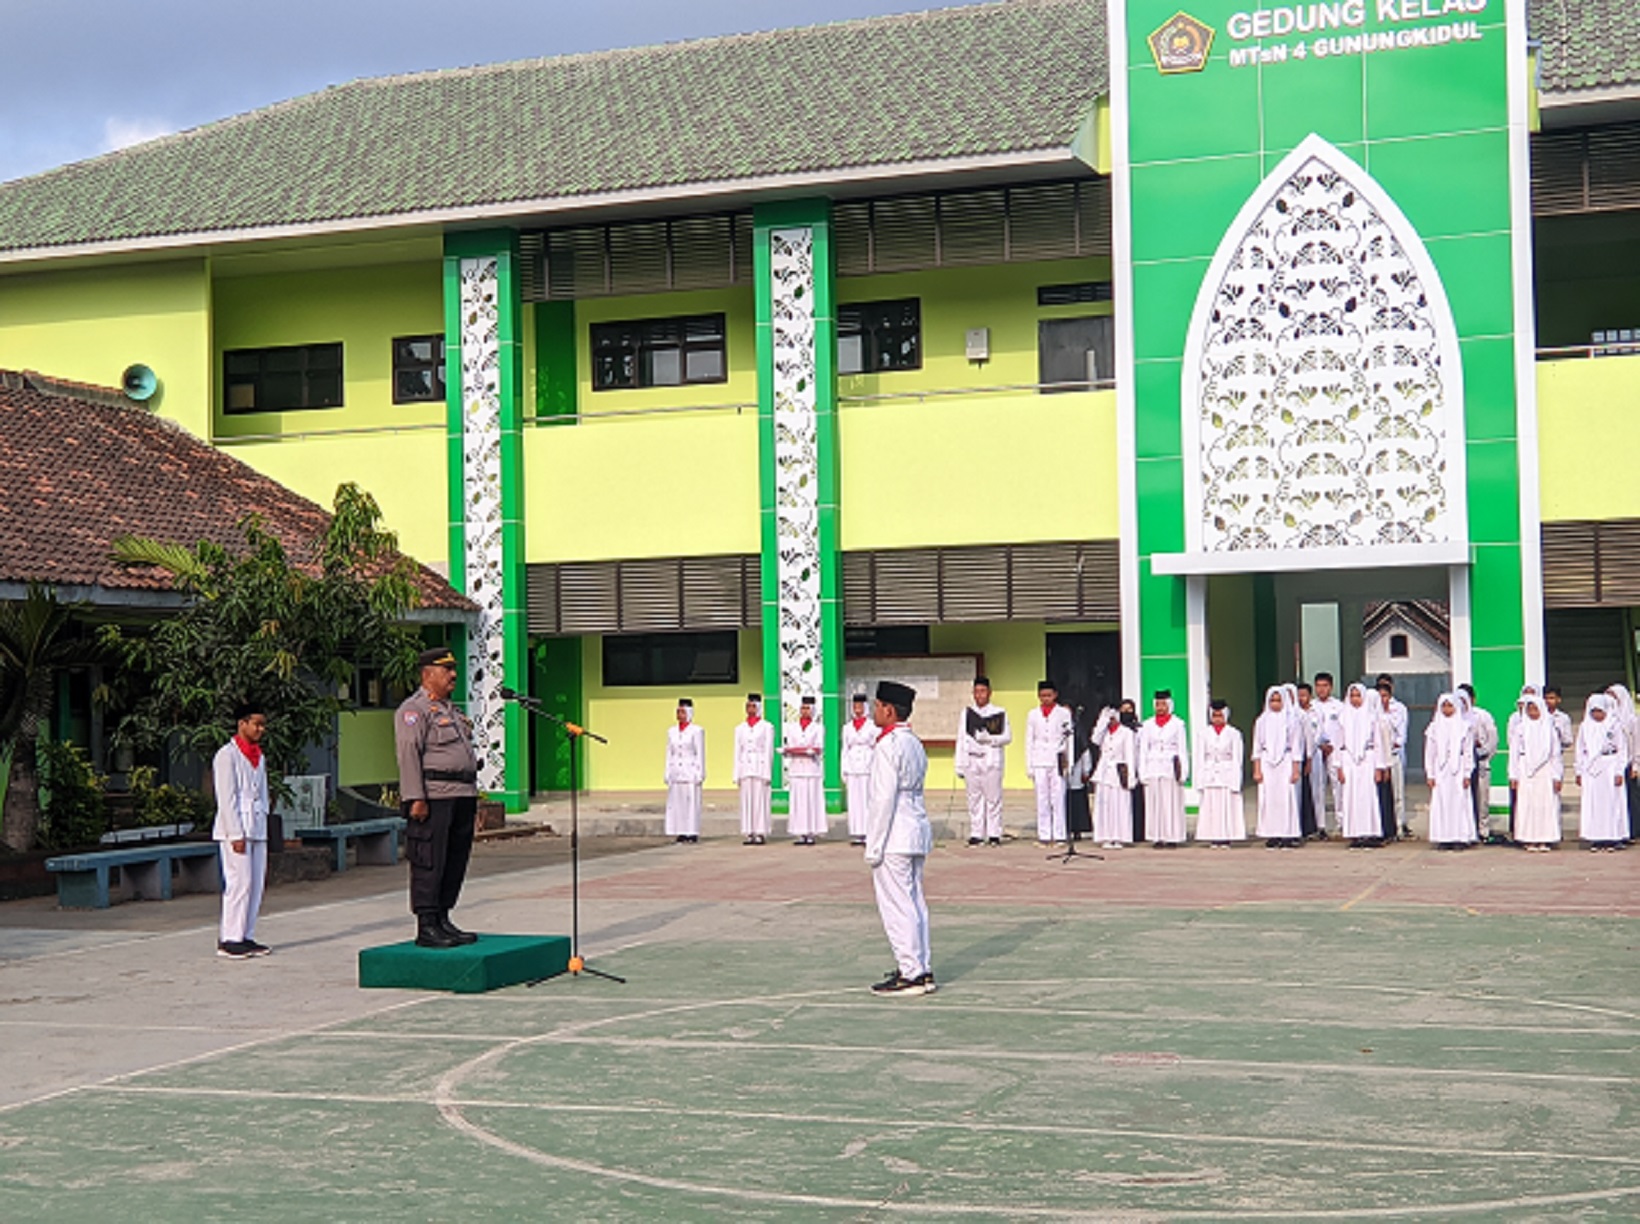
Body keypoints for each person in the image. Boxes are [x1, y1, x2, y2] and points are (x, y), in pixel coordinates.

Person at [396, 647, 481, 949]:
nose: (453, 675)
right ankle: (427, 924)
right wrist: (414, 797)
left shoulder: (451, 711)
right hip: (434, 796)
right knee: (429, 859)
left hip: (462, 794)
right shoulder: (413, 710)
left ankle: (444, 918)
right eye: (446, 670)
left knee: (455, 859)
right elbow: (408, 755)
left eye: (454, 669)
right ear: (427, 674)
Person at [864, 680, 935, 996]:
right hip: (916, 826)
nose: (874, 711)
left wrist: (873, 845)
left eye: (877, 706)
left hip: (895, 832)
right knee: (915, 902)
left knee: (897, 905)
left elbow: (882, 800)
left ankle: (911, 972)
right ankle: (921, 966)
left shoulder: (888, 746)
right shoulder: (913, 742)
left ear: (889, 710)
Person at [212, 702, 272, 959]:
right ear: (242, 724)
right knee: (240, 882)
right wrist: (235, 833)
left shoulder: (259, 756)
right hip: (235, 827)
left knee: (256, 883)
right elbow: (226, 797)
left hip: (257, 823)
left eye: (262, 724)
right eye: (256, 723)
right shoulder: (227, 755)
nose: (260, 729)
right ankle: (230, 937)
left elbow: (264, 792)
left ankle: (246, 934)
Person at [955, 676, 1011, 847]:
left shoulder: (999, 712)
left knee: (993, 798)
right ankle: (976, 833)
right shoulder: (966, 713)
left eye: (983, 691)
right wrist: (959, 762)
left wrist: (990, 739)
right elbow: (961, 738)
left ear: (989, 693)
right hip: (972, 759)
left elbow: (1007, 737)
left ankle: (994, 833)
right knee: (974, 798)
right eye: (976, 692)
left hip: (990, 759)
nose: (979, 695)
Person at [1576, 692, 1629, 851]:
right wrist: (1579, 770)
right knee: (1594, 804)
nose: (1597, 715)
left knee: (1612, 803)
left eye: (1600, 711)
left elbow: (1622, 750)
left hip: (1610, 766)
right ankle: (1596, 838)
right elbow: (1580, 750)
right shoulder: (1585, 727)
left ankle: (1612, 838)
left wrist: (1619, 771)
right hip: (1591, 770)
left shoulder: (1614, 726)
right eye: (1594, 711)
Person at [1510, 694, 1563, 852]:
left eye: (1536, 709)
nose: (1533, 713)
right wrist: (1513, 775)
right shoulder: (1520, 729)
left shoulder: (1549, 729)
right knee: (1527, 805)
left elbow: (1555, 754)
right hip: (1525, 769)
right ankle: (1529, 839)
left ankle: (1544, 839)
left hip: (1545, 770)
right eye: (1530, 709)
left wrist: (1557, 775)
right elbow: (1514, 753)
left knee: (1544, 805)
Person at [1025, 680, 1074, 845]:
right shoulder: (1033, 714)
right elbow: (1029, 740)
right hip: (1039, 759)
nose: (1046, 698)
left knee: (1058, 797)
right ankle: (1044, 835)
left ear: (1055, 695)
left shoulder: (1063, 713)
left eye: (1049, 695)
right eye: (1042, 695)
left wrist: (1069, 762)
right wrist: (1029, 764)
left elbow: (1069, 739)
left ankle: (1060, 834)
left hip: (1057, 758)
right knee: (1042, 798)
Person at [1252, 687, 1302, 848]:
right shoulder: (1261, 721)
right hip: (1267, 762)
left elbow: (1296, 746)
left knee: (1286, 798)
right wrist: (1257, 769)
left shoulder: (1291, 720)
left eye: (1278, 700)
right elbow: (1257, 747)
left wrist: (1295, 769)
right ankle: (1271, 834)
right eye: (1272, 700)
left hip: (1285, 760)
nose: (1275, 704)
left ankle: (1287, 834)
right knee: (1269, 798)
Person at [1424, 693, 1476, 849]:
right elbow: (1430, 752)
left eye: (1450, 706)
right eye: (1444, 706)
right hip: (1441, 770)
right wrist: (1430, 773)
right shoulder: (1434, 728)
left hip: (1458, 769)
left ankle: (1460, 837)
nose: (1447, 709)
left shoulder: (1464, 726)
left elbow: (1467, 752)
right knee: (1442, 802)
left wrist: (1467, 772)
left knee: (1459, 802)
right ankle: (1443, 837)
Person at [1138, 689, 1189, 847]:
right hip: (1153, 766)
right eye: (1158, 705)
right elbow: (1143, 749)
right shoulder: (1147, 725)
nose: (1160, 708)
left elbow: (1182, 749)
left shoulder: (1178, 724)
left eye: (1163, 704)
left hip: (1170, 767)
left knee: (1171, 803)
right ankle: (1157, 836)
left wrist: (1183, 771)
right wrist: (1142, 771)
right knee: (1154, 803)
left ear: (1169, 705)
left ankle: (1172, 836)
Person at [1335, 682, 1383, 848]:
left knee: (1367, 796)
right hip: (1348, 759)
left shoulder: (1371, 716)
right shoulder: (1342, 716)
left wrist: (1379, 767)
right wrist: (1338, 766)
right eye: (1352, 696)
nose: (1355, 699)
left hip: (1368, 758)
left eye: (1358, 696)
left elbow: (1378, 743)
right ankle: (1354, 834)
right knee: (1351, 797)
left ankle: (1369, 833)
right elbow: (1338, 743)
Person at [1195, 699, 1245, 847]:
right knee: (1211, 806)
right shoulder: (1203, 733)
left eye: (1220, 715)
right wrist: (1200, 777)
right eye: (1214, 715)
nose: (1217, 718)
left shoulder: (1234, 733)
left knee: (1226, 806)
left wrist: (1236, 778)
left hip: (1227, 772)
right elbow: (1199, 756)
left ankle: (1226, 837)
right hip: (1209, 772)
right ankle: (1213, 836)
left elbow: (1237, 757)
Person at [1457, 683, 1498, 841]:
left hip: (1480, 761)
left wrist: (1484, 753)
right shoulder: (1453, 717)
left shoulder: (1482, 715)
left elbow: (1492, 739)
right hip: (1461, 766)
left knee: (1482, 799)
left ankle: (1483, 830)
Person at [783, 694, 826, 845]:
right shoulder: (792, 727)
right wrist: (792, 751)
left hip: (811, 769)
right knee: (798, 802)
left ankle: (811, 832)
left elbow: (819, 747)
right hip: (796, 769)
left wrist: (805, 750)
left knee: (810, 801)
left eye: (807, 708)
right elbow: (789, 746)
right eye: (803, 708)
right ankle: (800, 832)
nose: (804, 711)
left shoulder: (818, 728)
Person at [732, 693, 774, 845]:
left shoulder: (766, 727)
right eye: (748, 706)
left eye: (753, 706)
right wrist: (736, 773)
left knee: (760, 801)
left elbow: (768, 750)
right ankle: (749, 832)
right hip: (745, 767)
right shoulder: (740, 728)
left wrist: (767, 772)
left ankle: (761, 832)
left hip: (759, 766)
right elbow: (737, 750)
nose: (750, 709)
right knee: (747, 801)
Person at [1092, 706, 1135, 849]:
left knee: (1120, 805)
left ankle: (1119, 837)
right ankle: (1105, 836)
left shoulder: (1126, 733)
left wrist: (1131, 776)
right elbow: (1094, 739)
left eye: (1112, 717)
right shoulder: (1103, 733)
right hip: (1104, 772)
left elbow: (1130, 755)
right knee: (1105, 805)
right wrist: (1102, 722)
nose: (1111, 721)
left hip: (1119, 772)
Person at [664, 698, 705, 844]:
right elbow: (669, 752)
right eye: (678, 711)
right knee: (677, 803)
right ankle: (680, 831)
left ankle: (692, 832)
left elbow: (699, 752)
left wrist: (700, 773)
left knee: (691, 802)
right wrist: (667, 771)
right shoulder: (672, 731)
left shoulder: (696, 731)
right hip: (676, 770)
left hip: (690, 770)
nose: (679, 714)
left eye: (682, 711)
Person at [1374, 675, 1410, 838]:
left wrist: (1392, 744)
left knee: (1397, 792)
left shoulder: (1399, 708)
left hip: (1394, 755)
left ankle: (1400, 825)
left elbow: (1401, 735)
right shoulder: (1372, 712)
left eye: (1385, 696)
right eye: (1380, 696)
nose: (1383, 700)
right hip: (1377, 758)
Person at [1605, 683, 1640, 842]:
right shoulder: (1606, 720)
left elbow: (1636, 743)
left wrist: (1635, 764)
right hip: (1611, 765)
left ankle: (1633, 831)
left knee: (1631, 798)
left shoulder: (1632, 720)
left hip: (1627, 763)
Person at [842, 693, 876, 848]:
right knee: (854, 801)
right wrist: (844, 769)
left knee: (867, 800)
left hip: (867, 765)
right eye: (855, 706)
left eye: (860, 706)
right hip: (852, 766)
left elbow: (876, 747)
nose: (857, 709)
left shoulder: (872, 726)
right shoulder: (847, 727)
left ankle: (869, 832)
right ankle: (857, 832)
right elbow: (844, 749)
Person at [1312, 672, 1345, 834]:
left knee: (1337, 786)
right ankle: (1320, 825)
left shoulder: (1339, 707)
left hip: (1334, 750)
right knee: (1318, 787)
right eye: (1318, 686)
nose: (1321, 689)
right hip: (1317, 751)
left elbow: (1342, 730)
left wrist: (1333, 745)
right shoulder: (1311, 707)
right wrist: (1319, 745)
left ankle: (1341, 822)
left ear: (1331, 687)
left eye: (1325, 686)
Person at [1295, 682, 1325, 839]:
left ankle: (1320, 825)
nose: (1301, 698)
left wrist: (1312, 748)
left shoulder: (1316, 712)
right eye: (1298, 695)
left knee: (1317, 789)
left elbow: (1320, 731)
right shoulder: (1294, 713)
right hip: (1298, 755)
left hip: (1315, 753)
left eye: (1304, 695)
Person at [1119, 699, 1146, 842]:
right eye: (1123, 710)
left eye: (1129, 709)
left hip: (1136, 767)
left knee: (1137, 801)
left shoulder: (1140, 729)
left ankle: (1138, 833)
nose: (1126, 713)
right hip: (1120, 769)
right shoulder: (1116, 730)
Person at [1545, 686, 1574, 753]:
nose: (1548, 701)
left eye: (1551, 698)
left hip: (1557, 754)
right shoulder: (1539, 716)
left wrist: (1559, 733)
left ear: (1558, 699)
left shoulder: (1563, 717)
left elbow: (1568, 740)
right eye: (1546, 698)